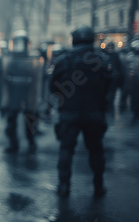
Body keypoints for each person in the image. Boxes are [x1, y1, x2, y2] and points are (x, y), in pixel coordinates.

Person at [50, 25, 111, 198]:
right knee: (96, 150)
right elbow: (110, 85)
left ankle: (64, 186)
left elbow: (53, 85)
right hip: (94, 113)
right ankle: (98, 186)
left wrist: (63, 99)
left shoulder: (64, 60)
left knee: (66, 150)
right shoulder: (102, 60)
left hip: (69, 113)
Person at [1, 31, 42, 154]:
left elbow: (37, 79)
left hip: (28, 95)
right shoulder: (9, 59)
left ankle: (31, 143)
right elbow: (3, 78)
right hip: (13, 95)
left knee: (30, 122)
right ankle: (14, 144)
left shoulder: (33, 60)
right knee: (11, 123)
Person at [103, 41, 123, 114]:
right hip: (107, 78)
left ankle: (109, 107)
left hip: (113, 78)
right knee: (107, 93)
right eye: (109, 47)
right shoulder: (105, 56)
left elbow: (119, 67)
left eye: (111, 48)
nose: (110, 49)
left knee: (111, 94)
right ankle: (108, 106)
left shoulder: (115, 56)